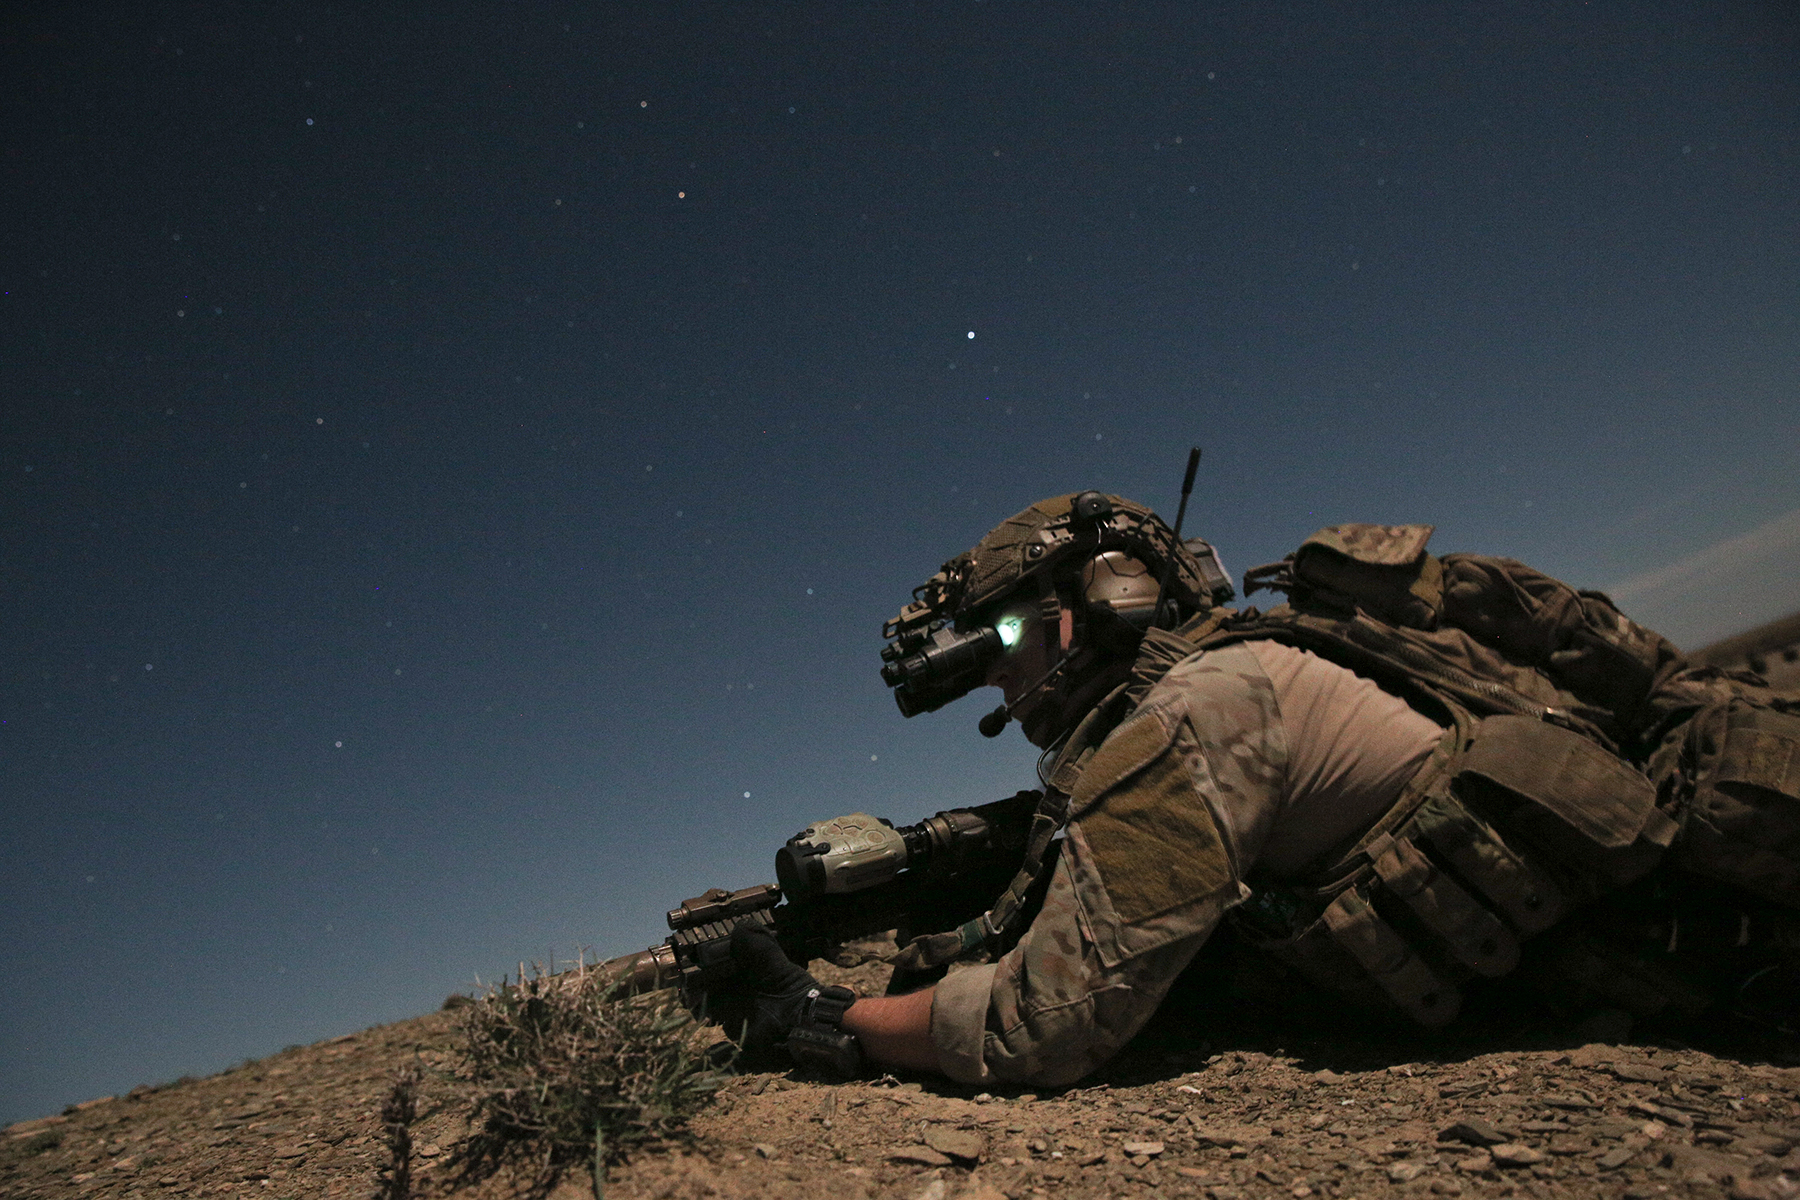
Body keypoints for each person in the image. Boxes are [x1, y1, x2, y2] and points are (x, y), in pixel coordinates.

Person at [729, 491, 1800, 1086]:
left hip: (1730, 953)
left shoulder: (1190, 715)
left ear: (1109, 597)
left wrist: (835, 1014)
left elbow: (1041, 1025)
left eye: (1010, 633)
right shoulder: (1252, 660)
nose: (1001, 672)